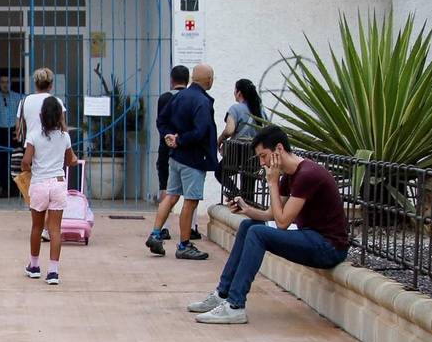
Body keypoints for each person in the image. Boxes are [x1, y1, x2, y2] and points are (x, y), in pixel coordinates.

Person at [190, 125, 350, 324]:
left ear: (279, 149)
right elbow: (271, 215)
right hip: (312, 238)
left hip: (329, 248)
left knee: (257, 233)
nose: (262, 162)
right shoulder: (290, 175)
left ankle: (235, 305)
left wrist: (272, 182)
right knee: (249, 225)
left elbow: (282, 223)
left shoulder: (308, 175)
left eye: (264, 156)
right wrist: (246, 209)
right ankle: (223, 294)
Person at [148, 63, 217, 260]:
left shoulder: (180, 97)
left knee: (170, 195)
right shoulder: (202, 101)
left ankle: (155, 234)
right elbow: (201, 131)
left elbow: (162, 120)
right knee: (190, 201)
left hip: (175, 158)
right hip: (193, 159)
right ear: (208, 80)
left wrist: (169, 136)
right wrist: (180, 140)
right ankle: (184, 244)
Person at [22, 93, 77, 285]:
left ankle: (34, 265)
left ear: (41, 116)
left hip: (39, 184)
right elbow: (70, 160)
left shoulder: (34, 136)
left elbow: (25, 162)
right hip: (58, 183)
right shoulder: (65, 137)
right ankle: (53, 272)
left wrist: (30, 169)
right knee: (54, 229)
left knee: (37, 227)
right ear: (59, 116)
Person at [156, 64, 202, 241]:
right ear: (188, 80)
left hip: (166, 148)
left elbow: (161, 122)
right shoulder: (193, 98)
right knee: (191, 193)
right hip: (187, 148)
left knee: (166, 188)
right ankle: (191, 227)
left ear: (171, 80)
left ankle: (163, 228)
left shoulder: (164, 98)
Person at [217, 78, 264, 204]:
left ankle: (236, 194)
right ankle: (247, 205)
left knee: (220, 172)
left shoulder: (236, 109)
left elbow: (230, 130)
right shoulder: (260, 110)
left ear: (238, 92)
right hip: (255, 152)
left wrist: (220, 140)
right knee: (249, 181)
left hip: (237, 151)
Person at [0, 69, 23, 198]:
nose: (5, 84)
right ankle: (4, 188)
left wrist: (19, 131)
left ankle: (16, 188)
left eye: (7, 82)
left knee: (16, 160)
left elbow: (21, 116)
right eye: (2, 82)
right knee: (1, 161)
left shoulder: (17, 97)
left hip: (13, 130)